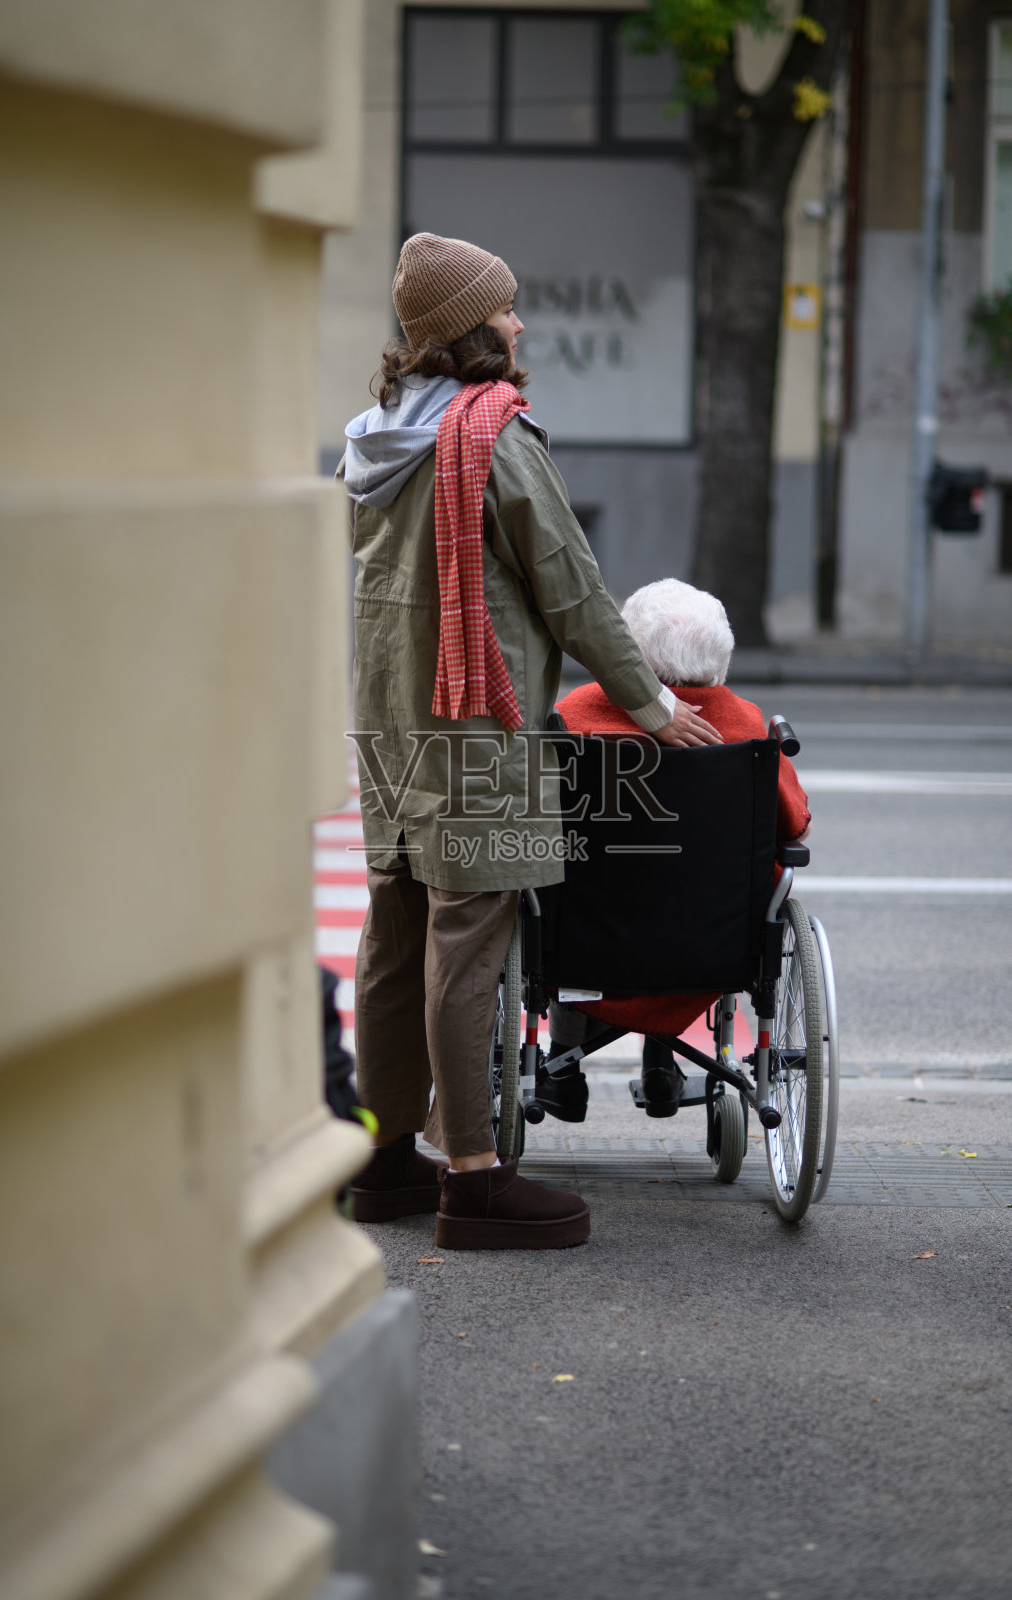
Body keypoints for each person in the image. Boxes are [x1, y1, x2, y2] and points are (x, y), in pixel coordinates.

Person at [337, 234, 721, 1250]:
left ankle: (383, 1158)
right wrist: (648, 702)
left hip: (387, 724)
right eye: (505, 309)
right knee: (466, 945)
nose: (520, 324)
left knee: (394, 939)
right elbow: (571, 588)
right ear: (472, 331)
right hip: (476, 726)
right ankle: (472, 1179)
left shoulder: (375, 436)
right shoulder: (492, 438)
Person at [537, 578, 811, 1122]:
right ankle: (661, 1063)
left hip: (587, 943)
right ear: (720, 654)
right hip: (712, 946)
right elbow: (794, 827)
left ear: (627, 651)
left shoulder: (576, 714)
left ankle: (562, 1068)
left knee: (555, 888)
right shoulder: (746, 725)